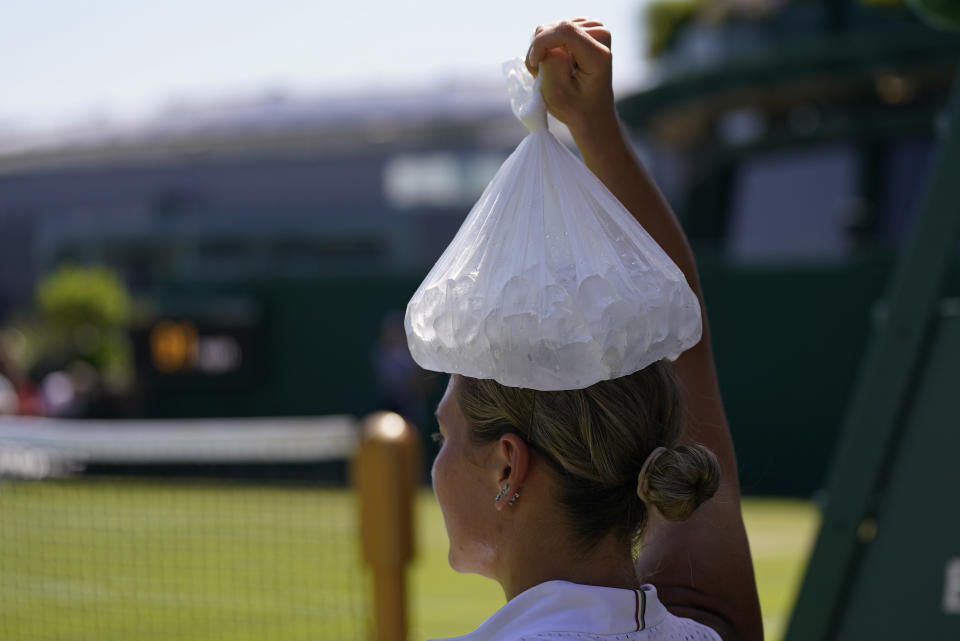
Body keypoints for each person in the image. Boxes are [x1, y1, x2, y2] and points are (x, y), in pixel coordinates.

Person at [426, 18, 763, 641]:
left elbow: (682, 340)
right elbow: (682, 336)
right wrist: (593, 127)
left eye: (442, 433)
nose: (435, 464)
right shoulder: (703, 630)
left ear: (508, 467)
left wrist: (590, 126)